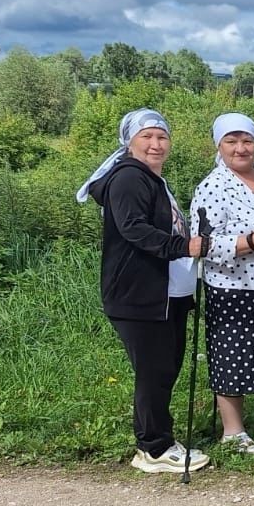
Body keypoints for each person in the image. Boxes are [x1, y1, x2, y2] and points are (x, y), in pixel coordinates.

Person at [78, 108, 208, 473]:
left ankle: (159, 439)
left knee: (163, 369)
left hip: (165, 294)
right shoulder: (129, 178)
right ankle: (153, 448)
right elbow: (133, 229)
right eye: (146, 136)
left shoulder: (152, 179)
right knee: (154, 371)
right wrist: (185, 246)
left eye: (162, 137)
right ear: (129, 142)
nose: (156, 144)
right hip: (139, 294)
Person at [189, 112, 254, 455]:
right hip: (232, 285)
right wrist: (249, 242)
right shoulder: (213, 186)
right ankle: (233, 431)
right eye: (231, 141)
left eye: (247, 141)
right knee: (232, 353)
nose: (240, 148)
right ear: (219, 145)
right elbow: (201, 244)